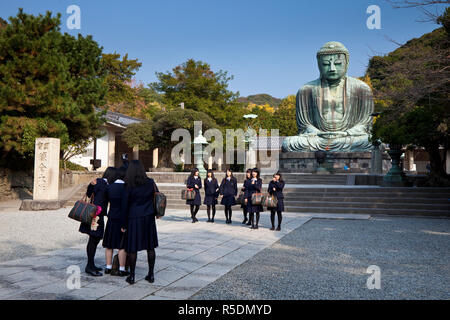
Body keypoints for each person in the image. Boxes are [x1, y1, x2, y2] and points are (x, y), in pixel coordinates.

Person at [121, 160, 160, 285]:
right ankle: (151, 274)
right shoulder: (150, 182)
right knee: (150, 247)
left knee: (133, 248)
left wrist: (123, 224)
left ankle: (132, 276)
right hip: (148, 217)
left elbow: (125, 206)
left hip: (133, 218)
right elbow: (156, 196)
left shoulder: (128, 184)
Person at [79, 167, 116, 277]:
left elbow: (89, 194)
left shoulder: (98, 182)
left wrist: (91, 185)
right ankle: (89, 266)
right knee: (93, 239)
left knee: (94, 239)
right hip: (96, 216)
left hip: (95, 215)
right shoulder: (103, 184)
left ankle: (91, 264)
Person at [103, 167, 129, 276]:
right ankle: (122, 269)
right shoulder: (126, 188)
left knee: (109, 244)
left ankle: (108, 267)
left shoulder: (110, 187)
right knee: (122, 245)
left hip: (111, 217)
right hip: (122, 218)